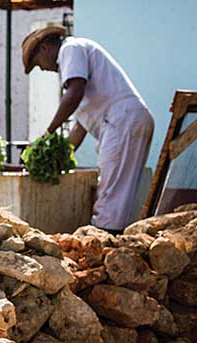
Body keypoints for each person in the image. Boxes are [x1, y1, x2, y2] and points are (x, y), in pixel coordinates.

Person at [23, 26, 155, 233]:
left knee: (111, 195)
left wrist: (48, 132)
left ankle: (103, 242)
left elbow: (74, 94)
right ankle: (115, 240)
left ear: (44, 48)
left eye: (38, 64)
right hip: (128, 120)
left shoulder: (70, 48)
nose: (44, 70)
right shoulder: (77, 57)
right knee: (119, 193)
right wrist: (59, 156)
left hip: (122, 122)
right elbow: (80, 128)